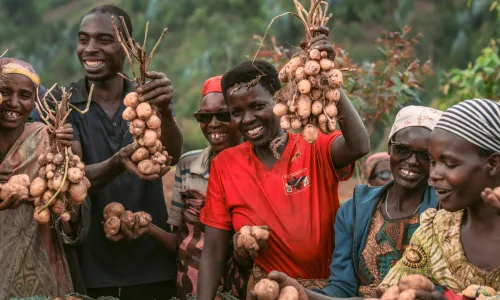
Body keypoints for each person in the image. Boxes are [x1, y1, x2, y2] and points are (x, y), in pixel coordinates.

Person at [197, 30, 371, 299]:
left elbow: (359, 146)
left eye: (257, 106)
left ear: (280, 101)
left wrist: (328, 80)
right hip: (268, 291)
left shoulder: (313, 144)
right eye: (236, 113)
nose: (247, 120)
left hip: (327, 290)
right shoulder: (225, 165)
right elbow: (213, 249)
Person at [51, 5, 183, 300]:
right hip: (91, 269)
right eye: (83, 39)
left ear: (129, 46)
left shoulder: (145, 98)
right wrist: (119, 161)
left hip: (153, 264)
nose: (90, 49)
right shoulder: (65, 104)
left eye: (104, 39)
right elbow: (74, 181)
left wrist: (165, 111)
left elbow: (170, 158)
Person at [110, 76, 246, 299]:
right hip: (191, 289)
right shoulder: (187, 165)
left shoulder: (258, 168)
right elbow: (181, 242)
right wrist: (150, 230)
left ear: (239, 115)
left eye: (223, 114)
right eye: (204, 116)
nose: (213, 124)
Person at [307, 106, 442, 299]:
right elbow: (342, 286)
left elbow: (446, 286)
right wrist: (303, 294)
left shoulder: (444, 213)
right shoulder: (354, 211)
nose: (412, 161)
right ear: (390, 148)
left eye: (425, 155)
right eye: (402, 150)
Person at [377, 99, 500, 298]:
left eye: (449, 164)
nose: (434, 174)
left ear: (493, 164)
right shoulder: (436, 230)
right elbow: (391, 292)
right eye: (433, 162)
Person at [0, 58, 84, 299]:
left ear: (35, 100)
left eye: (24, 95)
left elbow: (71, 205)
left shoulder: (46, 139)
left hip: (36, 256)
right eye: (4, 91)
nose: (14, 103)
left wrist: (67, 153)